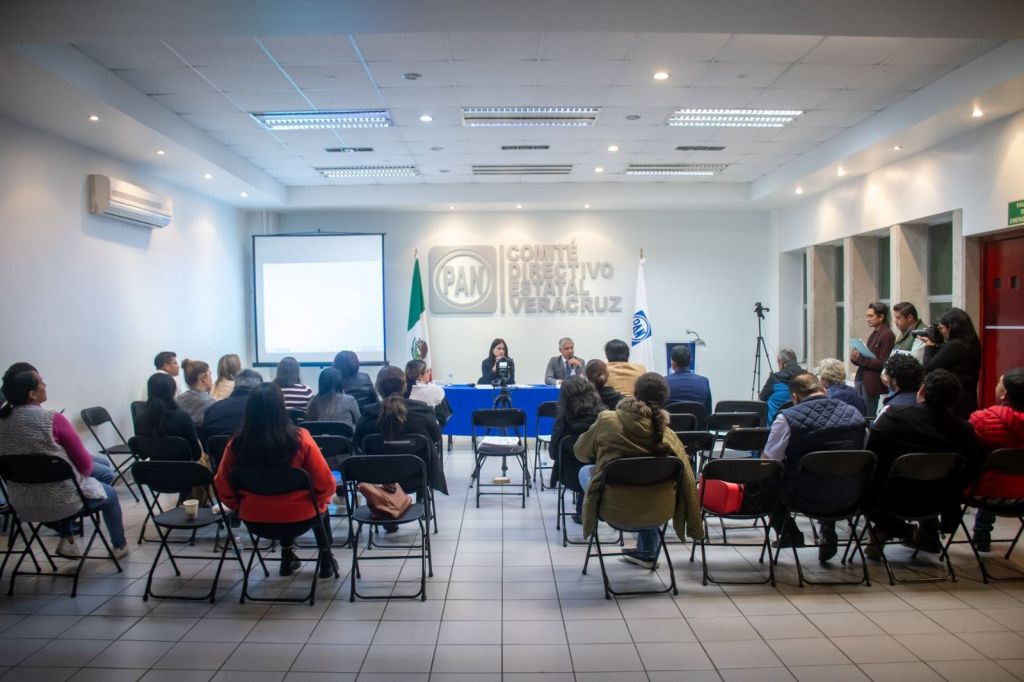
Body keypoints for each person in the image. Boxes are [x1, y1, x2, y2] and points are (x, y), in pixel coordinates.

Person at [574, 373, 702, 569]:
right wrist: (695, 526)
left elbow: (580, 453)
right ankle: (648, 551)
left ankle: (645, 550)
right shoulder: (668, 435)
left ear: (635, 394)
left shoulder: (607, 421)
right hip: (659, 511)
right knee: (649, 483)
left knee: (585, 471)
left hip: (614, 509)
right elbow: (689, 481)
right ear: (664, 399)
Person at [0, 366, 128, 559]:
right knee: (109, 494)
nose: (45, 385)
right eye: (41, 382)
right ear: (32, 394)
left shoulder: (3, 423)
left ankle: (67, 537)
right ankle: (120, 545)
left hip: (22, 504)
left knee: (76, 479)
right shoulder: (53, 419)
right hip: (64, 500)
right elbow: (85, 466)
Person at [214, 383, 337, 578]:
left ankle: (287, 556)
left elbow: (222, 482)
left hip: (255, 519)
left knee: (282, 497)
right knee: (318, 505)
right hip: (300, 518)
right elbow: (325, 483)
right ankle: (326, 558)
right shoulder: (301, 439)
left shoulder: (236, 444)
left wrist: (237, 505)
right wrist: (320, 500)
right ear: (281, 408)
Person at [865, 369, 977, 555]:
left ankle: (901, 530)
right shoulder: (964, 430)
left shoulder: (894, 417)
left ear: (922, 390)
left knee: (866, 488)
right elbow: (969, 470)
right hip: (939, 500)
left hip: (892, 498)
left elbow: (871, 455)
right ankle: (926, 533)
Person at [762, 372, 868, 561]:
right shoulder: (855, 413)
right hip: (852, 495)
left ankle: (790, 533)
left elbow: (768, 461)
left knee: (765, 477)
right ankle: (827, 528)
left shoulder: (786, 419)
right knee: (834, 470)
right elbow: (866, 452)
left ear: (794, 397)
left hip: (804, 497)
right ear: (823, 390)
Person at [354, 366, 446, 528]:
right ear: (404, 386)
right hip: (416, 476)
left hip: (378, 478)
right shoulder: (421, 412)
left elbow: (357, 443)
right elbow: (436, 437)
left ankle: (386, 506)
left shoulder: (367, 417)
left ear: (378, 388)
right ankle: (422, 498)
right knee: (424, 452)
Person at [967, 368, 1024, 551]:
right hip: (1021, 498)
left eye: (999, 383)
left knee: (987, 471)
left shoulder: (983, 420)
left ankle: (980, 533)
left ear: (1004, 393)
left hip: (984, 495)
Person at [548, 377, 606, 522]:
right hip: (602, 472)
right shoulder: (604, 418)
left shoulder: (563, 422)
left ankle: (584, 510)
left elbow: (553, 453)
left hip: (571, 475)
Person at [922, 307, 982, 419]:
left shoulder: (955, 345)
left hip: (954, 402)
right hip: (968, 399)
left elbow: (929, 367)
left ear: (951, 327)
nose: (941, 332)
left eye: (941, 328)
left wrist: (929, 346)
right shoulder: (971, 343)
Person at [139, 373, 203, 462]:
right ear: (173, 392)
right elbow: (196, 454)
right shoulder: (183, 417)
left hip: (153, 469)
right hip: (184, 468)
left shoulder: (140, 420)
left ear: (149, 392)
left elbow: (142, 454)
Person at [850, 302, 896, 419]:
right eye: (867, 316)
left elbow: (882, 362)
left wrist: (860, 359)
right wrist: (855, 358)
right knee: (860, 413)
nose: (868, 319)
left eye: (871, 316)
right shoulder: (874, 334)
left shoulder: (887, 335)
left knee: (868, 415)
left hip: (871, 383)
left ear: (881, 317)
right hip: (862, 379)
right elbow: (868, 358)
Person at [201, 369, 263, 442]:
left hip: (219, 449)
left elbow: (204, 441)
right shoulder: (263, 411)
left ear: (235, 384)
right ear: (258, 389)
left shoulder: (211, 410)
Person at [758, 349, 805, 423]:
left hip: (774, 424)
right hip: (798, 423)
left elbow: (762, 398)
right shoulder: (807, 378)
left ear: (781, 363)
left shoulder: (774, 379)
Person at [664, 345, 711, 412]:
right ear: (690, 361)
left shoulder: (664, 382)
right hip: (698, 418)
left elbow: (660, 409)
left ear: (673, 363)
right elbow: (708, 411)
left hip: (671, 419)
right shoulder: (704, 381)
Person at [175, 359, 215, 426]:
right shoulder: (211, 404)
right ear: (204, 378)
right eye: (210, 374)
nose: (211, 379)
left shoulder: (178, 400)